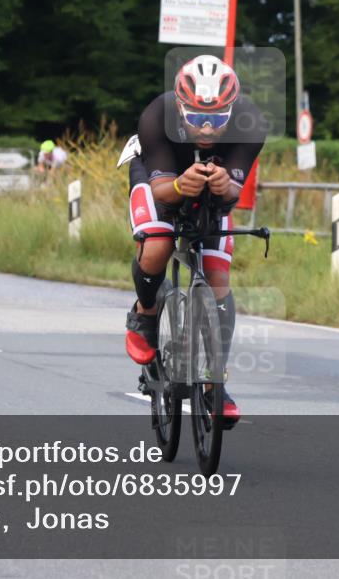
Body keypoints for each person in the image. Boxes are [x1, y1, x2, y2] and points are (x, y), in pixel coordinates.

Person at [124, 55, 266, 425]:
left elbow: (232, 193)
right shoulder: (158, 114)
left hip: (210, 187)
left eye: (218, 120)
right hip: (159, 174)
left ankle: (214, 384)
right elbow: (161, 193)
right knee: (159, 243)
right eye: (197, 118)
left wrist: (225, 185)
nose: (206, 128)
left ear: (232, 110)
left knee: (218, 276)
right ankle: (145, 313)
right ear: (180, 106)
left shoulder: (251, 124)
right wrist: (177, 185)